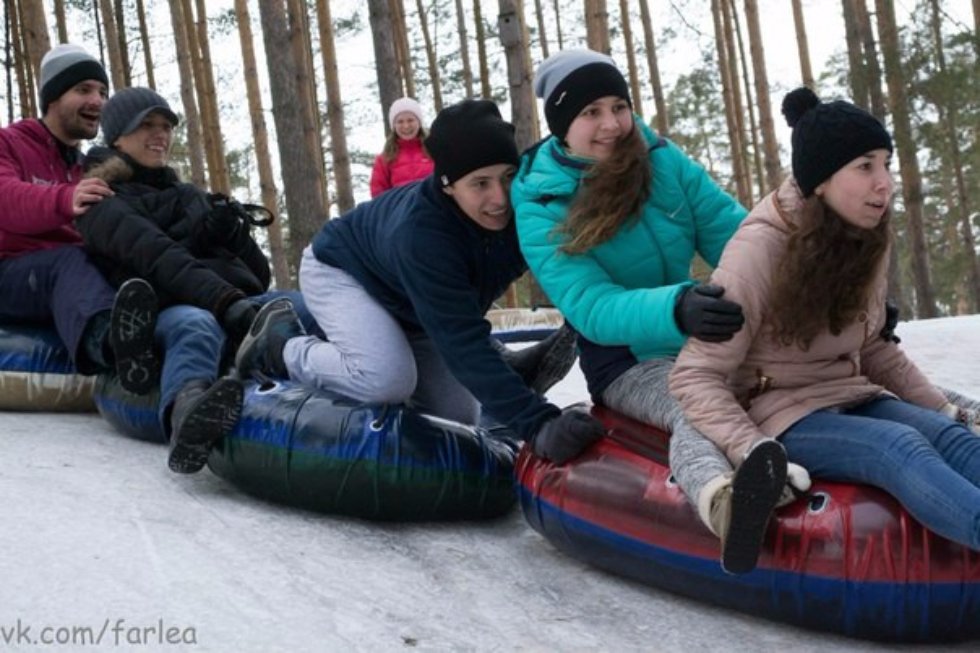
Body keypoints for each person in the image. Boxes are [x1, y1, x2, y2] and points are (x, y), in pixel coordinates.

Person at [669, 87, 980, 557]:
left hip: (849, 393)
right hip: (780, 411)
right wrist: (752, 449)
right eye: (865, 167)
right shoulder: (760, 248)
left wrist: (942, 410)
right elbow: (694, 375)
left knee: (947, 438)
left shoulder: (866, 233)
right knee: (899, 447)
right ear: (820, 181)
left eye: (886, 164)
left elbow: (872, 346)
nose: (885, 183)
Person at [511, 49, 788, 574]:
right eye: (591, 113)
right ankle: (724, 502)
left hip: (704, 331)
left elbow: (737, 234)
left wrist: (816, 286)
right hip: (628, 358)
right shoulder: (542, 202)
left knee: (815, 371)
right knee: (697, 405)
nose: (613, 124)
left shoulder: (659, 157)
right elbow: (591, 305)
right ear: (563, 127)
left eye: (619, 105)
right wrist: (676, 307)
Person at [235, 99, 592, 453]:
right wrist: (539, 423)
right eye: (480, 184)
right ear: (448, 185)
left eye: (508, 177)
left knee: (456, 416)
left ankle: (386, 347)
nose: (500, 198)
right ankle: (282, 347)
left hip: (410, 301)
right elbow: (461, 341)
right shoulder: (424, 236)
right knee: (385, 380)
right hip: (344, 271)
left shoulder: (523, 207)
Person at [75, 87, 314, 474]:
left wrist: (231, 233)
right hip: (168, 308)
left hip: (226, 301)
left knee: (302, 305)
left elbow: (256, 275)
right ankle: (187, 418)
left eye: (166, 126)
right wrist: (226, 302)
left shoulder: (187, 194)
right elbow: (158, 256)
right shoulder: (100, 201)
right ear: (117, 136)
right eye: (147, 125)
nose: (161, 135)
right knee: (195, 326)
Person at [0, 44, 158, 394]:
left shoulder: (89, 166)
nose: (98, 101)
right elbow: (5, 200)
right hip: (10, 273)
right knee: (69, 261)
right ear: (53, 97)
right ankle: (114, 348)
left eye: (102, 92)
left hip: (72, 279)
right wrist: (64, 198)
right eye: (83, 89)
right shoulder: (8, 142)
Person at [369, 97, 434, 197]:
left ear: (419, 122)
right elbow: (378, 195)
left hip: (434, 209)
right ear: (394, 125)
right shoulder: (384, 159)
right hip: (401, 211)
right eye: (400, 121)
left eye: (410, 120)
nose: (406, 126)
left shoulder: (434, 150)